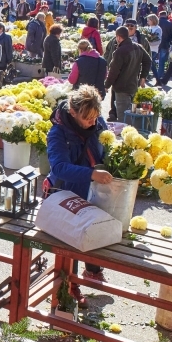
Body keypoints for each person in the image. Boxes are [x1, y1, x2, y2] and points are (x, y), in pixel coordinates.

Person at [45, 85, 113, 299]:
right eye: (88, 119)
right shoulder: (58, 133)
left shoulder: (97, 122)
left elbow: (106, 144)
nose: (94, 123)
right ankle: (69, 287)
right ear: (73, 113)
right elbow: (59, 168)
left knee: (98, 226)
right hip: (68, 191)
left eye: (96, 117)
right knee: (71, 241)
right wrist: (91, 174)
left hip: (95, 188)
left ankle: (93, 270)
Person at [105, 26, 152, 119]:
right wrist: (143, 77)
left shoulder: (120, 51)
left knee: (124, 118)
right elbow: (148, 60)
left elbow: (113, 71)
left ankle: (127, 132)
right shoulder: (138, 47)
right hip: (133, 86)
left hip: (122, 88)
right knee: (131, 115)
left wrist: (106, 85)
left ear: (118, 37)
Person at [157, 11, 172, 85]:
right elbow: (171, 35)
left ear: (159, 15)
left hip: (155, 44)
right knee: (162, 61)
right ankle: (160, 75)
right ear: (166, 15)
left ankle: (155, 74)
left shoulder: (157, 23)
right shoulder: (170, 23)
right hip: (165, 44)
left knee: (153, 60)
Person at [146, 14, 163, 84]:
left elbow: (158, 40)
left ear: (153, 20)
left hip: (153, 49)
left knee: (151, 64)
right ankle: (146, 77)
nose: (147, 21)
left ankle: (158, 80)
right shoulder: (148, 28)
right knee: (149, 64)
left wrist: (149, 43)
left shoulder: (157, 29)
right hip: (147, 48)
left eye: (149, 20)